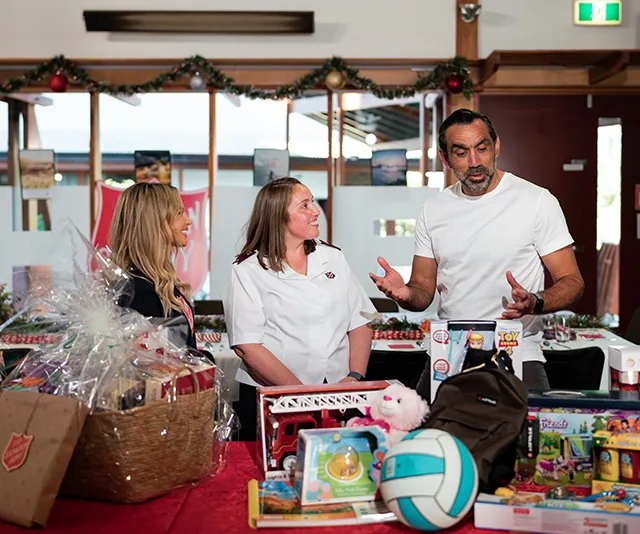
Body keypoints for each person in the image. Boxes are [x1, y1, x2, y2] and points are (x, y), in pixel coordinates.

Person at [371, 108, 584, 392]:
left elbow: (572, 281)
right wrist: (405, 294)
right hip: (448, 353)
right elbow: (422, 290)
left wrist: (535, 301)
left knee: (527, 436)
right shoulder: (434, 209)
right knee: (424, 433)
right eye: (461, 153)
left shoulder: (537, 201)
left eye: (482, 149)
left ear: (496, 146)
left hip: (518, 352)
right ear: (445, 158)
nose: (474, 162)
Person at [225, 177, 376, 440]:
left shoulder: (333, 257)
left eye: (312, 202)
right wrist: (303, 395)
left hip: (338, 395)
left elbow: (360, 320)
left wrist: (354, 376)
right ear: (277, 216)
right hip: (274, 399)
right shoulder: (248, 270)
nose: (315, 211)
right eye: (304, 205)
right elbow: (247, 345)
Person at [110, 182, 198, 350]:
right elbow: (155, 364)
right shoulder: (138, 290)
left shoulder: (156, 281)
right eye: (179, 213)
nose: (188, 221)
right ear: (154, 222)